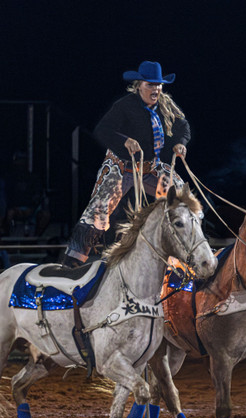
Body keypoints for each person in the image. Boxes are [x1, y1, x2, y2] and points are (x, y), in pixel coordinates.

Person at [64, 60, 188, 265]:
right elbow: (102, 130)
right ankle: (73, 261)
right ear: (139, 85)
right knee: (98, 210)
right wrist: (125, 140)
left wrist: (181, 144)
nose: (155, 88)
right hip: (121, 166)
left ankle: (188, 249)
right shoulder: (124, 106)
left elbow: (183, 127)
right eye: (150, 84)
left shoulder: (165, 105)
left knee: (181, 196)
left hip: (150, 167)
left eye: (158, 84)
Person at [4, 152, 50, 237]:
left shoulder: (33, 178)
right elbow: (7, 197)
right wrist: (15, 209)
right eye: (18, 161)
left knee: (45, 215)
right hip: (15, 209)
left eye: (22, 161)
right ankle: (9, 239)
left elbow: (38, 196)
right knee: (9, 214)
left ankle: (35, 239)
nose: (20, 164)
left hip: (31, 209)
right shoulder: (10, 179)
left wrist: (31, 209)